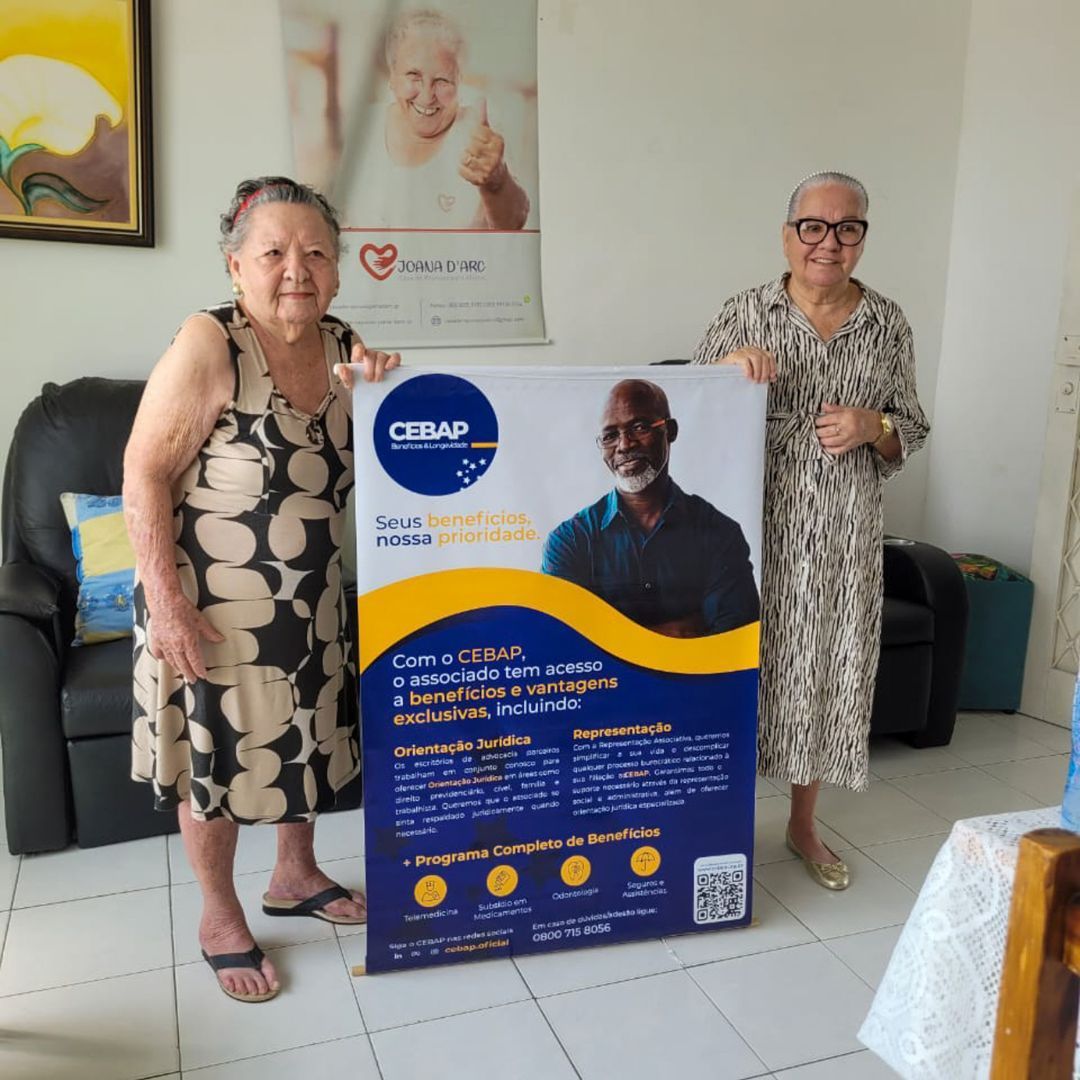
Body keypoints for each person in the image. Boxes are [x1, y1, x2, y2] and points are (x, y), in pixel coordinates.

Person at [123, 176, 400, 1003]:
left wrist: (386, 392)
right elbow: (144, 471)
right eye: (274, 252)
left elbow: (382, 465)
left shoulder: (345, 343)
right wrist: (166, 604)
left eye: (316, 252)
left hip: (311, 602)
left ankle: (295, 875)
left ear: (339, 270)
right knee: (215, 763)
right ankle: (219, 916)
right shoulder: (211, 341)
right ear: (235, 265)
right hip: (209, 606)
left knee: (304, 739)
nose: (296, 270)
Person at [693, 171, 929, 890]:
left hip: (842, 533)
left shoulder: (887, 323)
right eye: (814, 227)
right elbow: (688, 413)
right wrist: (728, 371)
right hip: (752, 528)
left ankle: (802, 823)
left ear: (862, 238)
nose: (829, 243)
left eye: (847, 228)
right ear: (787, 234)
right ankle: (720, 822)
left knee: (824, 668)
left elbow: (911, 427)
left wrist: (873, 424)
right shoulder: (744, 312)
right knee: (739, 663)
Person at [541, 379, 760, 638]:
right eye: (610, 436)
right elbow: (561, 643)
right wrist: (683, 631)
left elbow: (734, 641)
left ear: (670, 431)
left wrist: (609, 636)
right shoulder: (570, 541)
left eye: (639, 427)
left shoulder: (719, 533)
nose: (625, 445)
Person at [343, 8, 531, 229]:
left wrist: (497, 181)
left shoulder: (480, 133)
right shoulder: (362, 129)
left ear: (459, 79)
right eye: (413, 75)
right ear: (392, 76)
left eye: (442, 80)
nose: (427, 96)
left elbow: (514, 224)